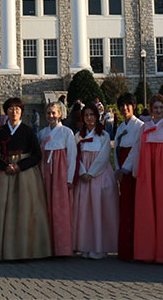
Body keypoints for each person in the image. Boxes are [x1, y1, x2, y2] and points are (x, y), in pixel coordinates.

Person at [0, 97, 51, 261]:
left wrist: (20, 166)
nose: (14, 112)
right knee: (2, 210)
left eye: (17, 109)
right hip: (4, 172)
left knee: (25, 210)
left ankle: (25, 250)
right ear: (6, 112)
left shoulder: (28, 131)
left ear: (21, 112)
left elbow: (37, 155)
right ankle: (2, 249)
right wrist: (4, 166)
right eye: (11, 109)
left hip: (24, 174)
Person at [128, 94, 163, 264]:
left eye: (161, 108)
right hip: (146, 172)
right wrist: (136, 171)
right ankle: (146, 251)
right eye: (155, 108)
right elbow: (137, 149)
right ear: (150, 110)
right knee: (146, 209)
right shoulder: (144, 128)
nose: (158, 111)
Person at [72, 102, 118, 259]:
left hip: (99, 176)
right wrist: (83, 172)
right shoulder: (78, 136)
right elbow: (74, 156)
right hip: (84, 177)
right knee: (85, 212)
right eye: (86, 115)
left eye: (92, 115)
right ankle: (85, 245)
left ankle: (99, 247)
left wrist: (91, 172)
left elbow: (105, 156)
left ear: (97, 117)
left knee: (99, 211)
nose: (89, 118)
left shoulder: (104, 135)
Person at [38, 101, 76, 257]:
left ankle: (63, 247)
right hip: (47, 172)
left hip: (60, 173)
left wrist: (69, 177)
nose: (51, 116)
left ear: (60, 114)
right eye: (48, 113)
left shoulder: (67, 132)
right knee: (46, 208)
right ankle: (47, 247)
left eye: (54, 113)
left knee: (60, 209)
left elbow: (72, 156)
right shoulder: (42, 133)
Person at [113, 92, 144, 262]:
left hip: (132, 171)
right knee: (124, 207)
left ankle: (134, 249)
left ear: (134, 107)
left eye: (128, 105)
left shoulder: (139, 126)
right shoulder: (119, 128)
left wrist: (125, 168)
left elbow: (136, 150)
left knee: (133, 207)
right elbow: (116, 149)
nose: (125, 109)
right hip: (122, 169)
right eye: (122, 106)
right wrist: (117, 168)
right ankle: (124, 249)